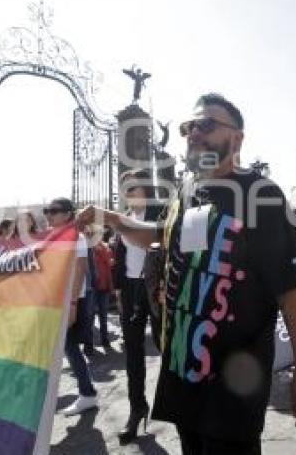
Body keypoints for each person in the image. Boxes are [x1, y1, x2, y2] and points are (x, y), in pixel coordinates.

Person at [78, 93, 296, 454]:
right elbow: (159, 237)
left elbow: (292, 293)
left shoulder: (262, 196)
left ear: (236, 138)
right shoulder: (187, 190)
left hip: (234, 385)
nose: (194, 133)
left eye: (206, 125)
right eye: (188, 127)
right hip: (184, 376)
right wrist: (113, 219)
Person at [110, 168, 164, 444]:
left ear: (146, 189)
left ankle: (177, 407)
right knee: (132, 352)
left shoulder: (163, 215)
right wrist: (119, 290)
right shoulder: (124, 220)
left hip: (156, 290)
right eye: (125, 190)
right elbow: (118, 259)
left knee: (165, 345)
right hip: (130, 291)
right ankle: (136, 408)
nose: (128, 194)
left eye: (133, 188)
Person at [45, 197, 98, 415]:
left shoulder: (77, 237)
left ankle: (87, 393)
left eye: (54, 211)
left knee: (69, 346)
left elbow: (80, 271)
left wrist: (73, 303)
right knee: (64, 347)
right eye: (47, 210)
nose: (49, 214)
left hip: (72, 299)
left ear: (68, 214)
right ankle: (86, 393)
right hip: (58, 300)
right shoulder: (54, 236)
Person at [87, 224, 116, 352]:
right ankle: (89, 345)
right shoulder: (88, 247)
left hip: (104, 286)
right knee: (90, 316)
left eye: (100, 233)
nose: (98, 236)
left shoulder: (105, 247)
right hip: (92, 287)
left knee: (103, 316)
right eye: (96, 233)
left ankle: (105, 340)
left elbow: (110, 263)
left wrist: (111, 286)